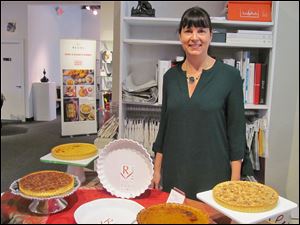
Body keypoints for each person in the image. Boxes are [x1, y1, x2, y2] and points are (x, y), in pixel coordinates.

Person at [150, 7, 248, 200]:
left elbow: (237, 134)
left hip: (214, 174)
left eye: (201, 31)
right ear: (180, 36)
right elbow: (164, 127)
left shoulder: (230, 77)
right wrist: (157, 170)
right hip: (176, 172)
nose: (195, 37)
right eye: (188, 31)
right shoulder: (170, 77)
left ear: (211, 35)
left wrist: (234, 182)